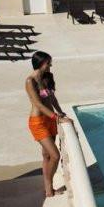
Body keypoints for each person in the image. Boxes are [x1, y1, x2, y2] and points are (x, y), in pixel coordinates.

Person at [25, 51, 71, 198]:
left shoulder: (46, 77)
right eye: (48, 63)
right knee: (55, 156)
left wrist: (60, 113)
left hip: (50, 120)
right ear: (40, 63)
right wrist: (57, 117)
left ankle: (48, 190)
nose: (50, 65)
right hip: (38, 122)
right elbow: (37, 104)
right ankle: (49, 186)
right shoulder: (30, 81)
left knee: (46, 156)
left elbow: (52, 98)